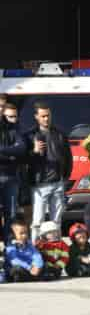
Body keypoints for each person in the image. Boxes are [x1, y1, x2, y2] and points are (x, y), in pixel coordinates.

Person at [27, 102, 72, 241]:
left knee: (56, 221)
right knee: (37, 221)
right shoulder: (30, 135)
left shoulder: (59, 134)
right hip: (40, 185)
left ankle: (57, 250)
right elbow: (24, 159)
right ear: (36, 117)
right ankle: (35, 247)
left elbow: (68, 157)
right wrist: (34, 152)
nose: (46, 119)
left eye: (48, 116)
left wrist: (65, 176)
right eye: (43, 116)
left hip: (58, 182)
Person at [0, 98, 26, 237]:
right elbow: (15, 151)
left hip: (11, 177)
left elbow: (21, 148)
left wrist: (4, 151)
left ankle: (9, 247)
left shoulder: (13, 128)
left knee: (11, 214)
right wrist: (10, 155)